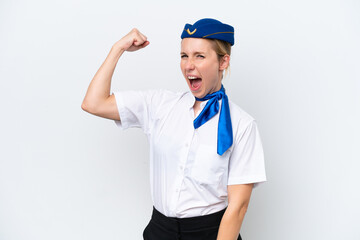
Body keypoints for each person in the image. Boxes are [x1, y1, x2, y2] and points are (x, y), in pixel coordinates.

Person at [81, 18, 266, 240]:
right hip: (159, 231)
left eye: (200, 56)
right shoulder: (159, 105)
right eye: (184, 56)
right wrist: (117, 48)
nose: (189, 65)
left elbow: (237, 208)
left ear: (223, 61)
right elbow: (94, 103)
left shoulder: (242, 125)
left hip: (210, 233)